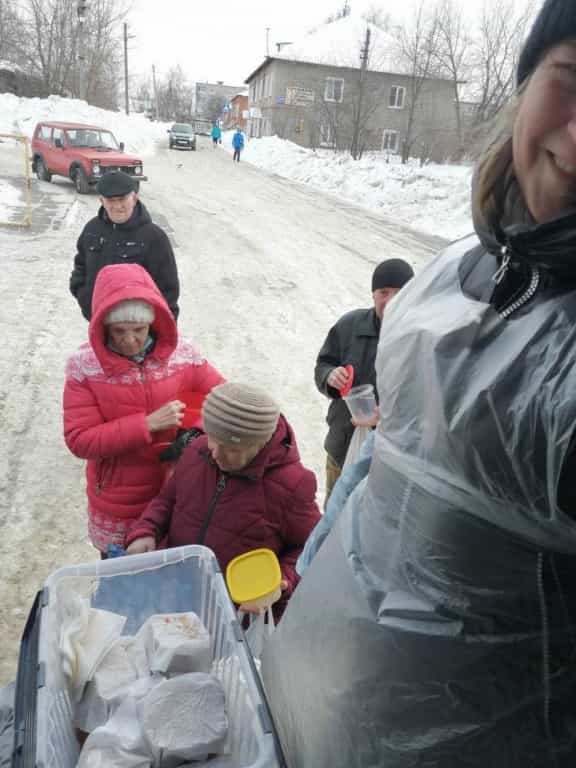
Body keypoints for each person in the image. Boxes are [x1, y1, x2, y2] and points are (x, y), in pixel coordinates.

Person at [262, 2, 576, 766]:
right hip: (320, 705)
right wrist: (312, 561)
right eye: (570, 81)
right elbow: (371, 471)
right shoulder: (446, 279)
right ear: (526, 79)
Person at [63, 262, 224, 557]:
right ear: (102, 325)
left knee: (167, 579)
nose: (130, 340)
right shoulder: (85, 367)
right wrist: (146, 425)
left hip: (175, 490)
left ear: (154, 321)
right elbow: (79, 439)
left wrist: (194, 433)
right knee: (121, 583)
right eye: (118, 331)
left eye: (138, 329)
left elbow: (223, 399)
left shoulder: (183, 355)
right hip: (118, 501)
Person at [126, 382, 321, 617]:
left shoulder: (293, 485)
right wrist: (147, 529)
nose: (215, 452)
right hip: (175, 592)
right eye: (212, 438)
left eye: (230, 448)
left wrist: (280, 581)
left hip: (233, 614)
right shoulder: (198, 450)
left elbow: (309, 546)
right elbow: (167, 499)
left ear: (259, 445)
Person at [315, 258, 414, 501]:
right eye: (383, 292)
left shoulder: (418, 336)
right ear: (373, 295)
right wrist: (330, 376)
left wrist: (391, 413)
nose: (390, 299)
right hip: (343, 444)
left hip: (389, 459)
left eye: (400, 293)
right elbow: (323, 364)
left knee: (371, 522)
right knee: (334, 513)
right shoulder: (350, 325)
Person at [69, 171, 180, 321]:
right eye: (110, 200)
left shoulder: (154, 238)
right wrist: (85, 299)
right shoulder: (92, 230)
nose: (117, 206)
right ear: (102, 201)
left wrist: (158, 331)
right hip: (99, 323)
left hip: (137, 329)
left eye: (122, 199)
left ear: (134, 199)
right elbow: (80, 268)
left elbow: (168, 291)